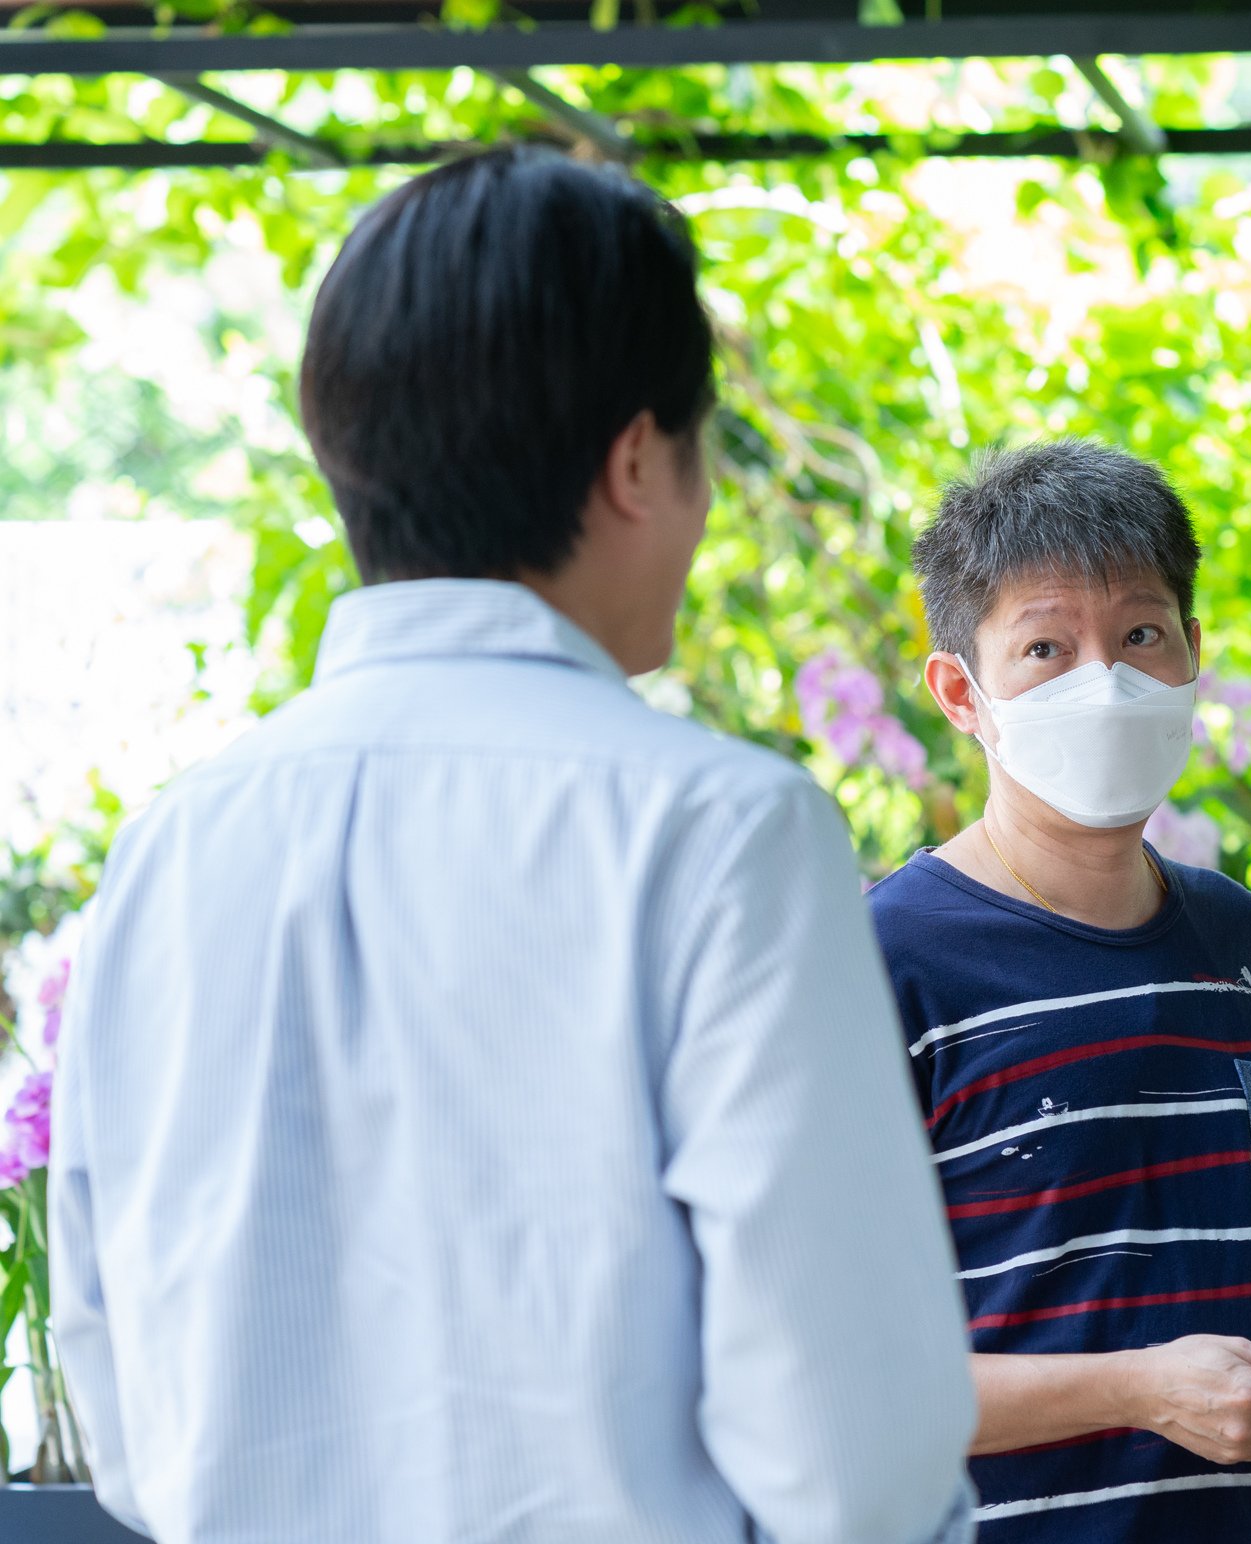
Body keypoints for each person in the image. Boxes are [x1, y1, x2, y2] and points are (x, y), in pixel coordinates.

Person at [50, 149, 976, 1544]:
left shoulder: (169, 849)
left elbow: (119, 1401)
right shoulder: (721, 832)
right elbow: (853, 1467)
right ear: (635, 461)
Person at [867, 438, 1251, 1544]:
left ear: (1191, 651)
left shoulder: (1238, 937)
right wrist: (1140, 1390)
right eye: (1044, 647)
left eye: (1139, 635)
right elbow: (847, 1378)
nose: (1105, 682)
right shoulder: (882, 959)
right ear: (960, 693)